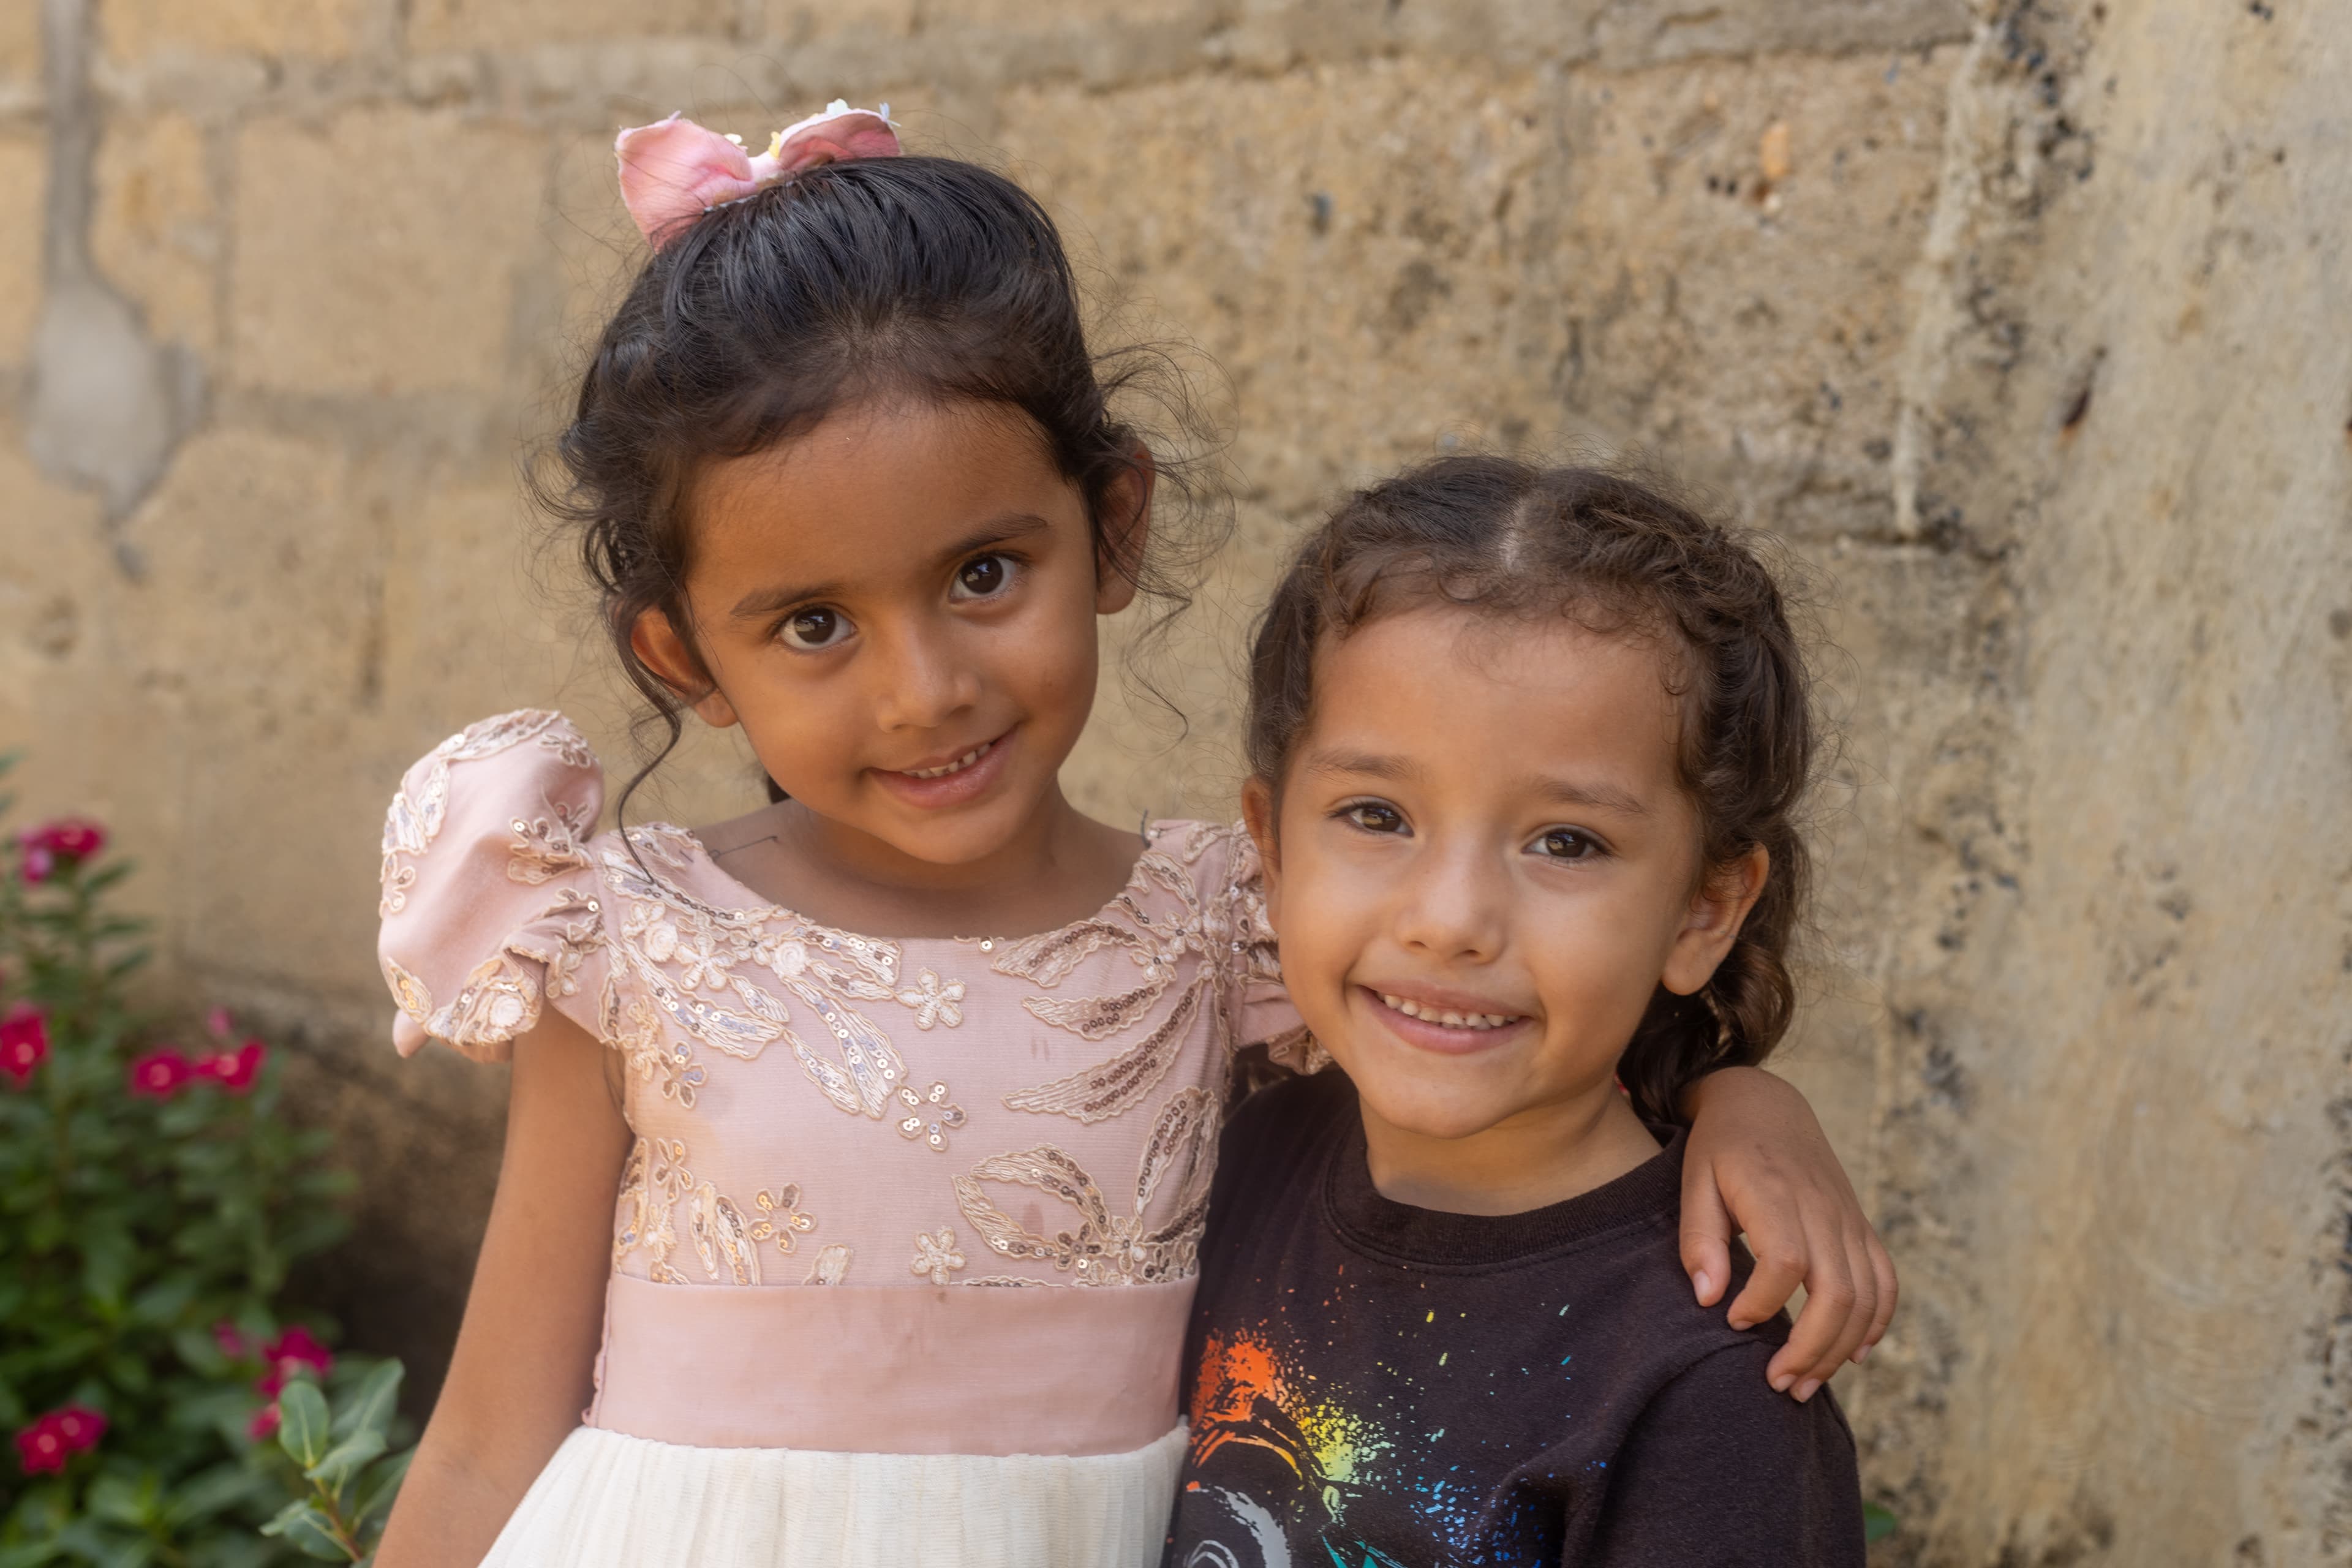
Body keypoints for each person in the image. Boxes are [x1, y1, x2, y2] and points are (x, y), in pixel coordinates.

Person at [370, 105, 1891, 1568]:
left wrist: (1744, 1105)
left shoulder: (1231, 931)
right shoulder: (623, 934)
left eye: (982, 573)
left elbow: (1520, 1068)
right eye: (815, 622)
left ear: (1113, 526)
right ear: (685, 656)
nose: (926, 688)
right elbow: (488, 1438)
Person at [1167, 458, 1868, 1566]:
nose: (1451, 921)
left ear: (1705, 908)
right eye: (1376, 814)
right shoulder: (1238, 1164)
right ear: (1271, 845)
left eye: (1567, 842)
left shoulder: (1702, 1388)